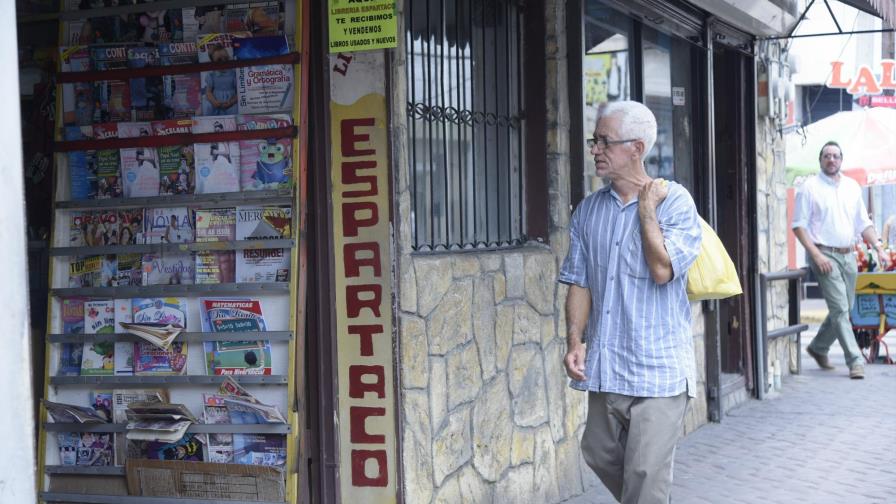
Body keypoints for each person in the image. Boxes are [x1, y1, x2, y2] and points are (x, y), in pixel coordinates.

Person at [559, 101, 702, 504]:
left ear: (636, 148)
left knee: (643, 472)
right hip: (608, 363)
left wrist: (645, 209)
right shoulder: (588, 211)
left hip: (659, 370)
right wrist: (575, 340)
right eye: (595, 140)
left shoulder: (674, 203)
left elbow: (662, 270)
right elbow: (579, 281)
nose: (595, 150)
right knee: (597, 450)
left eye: (605, 141)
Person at [792, 141, 889, 379]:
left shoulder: (852, 187)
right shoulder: (809, 188)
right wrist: (815, 254)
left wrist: (878, 247)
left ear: (841, 160)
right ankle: (855, 361)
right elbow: (799, 226)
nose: (831, 160)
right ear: (820, 160)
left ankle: (818, 347)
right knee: (840, 309)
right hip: (823, 254)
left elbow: (862, 224)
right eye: (827, 156)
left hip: (848, 255)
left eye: (835, 156)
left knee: (843, 308)